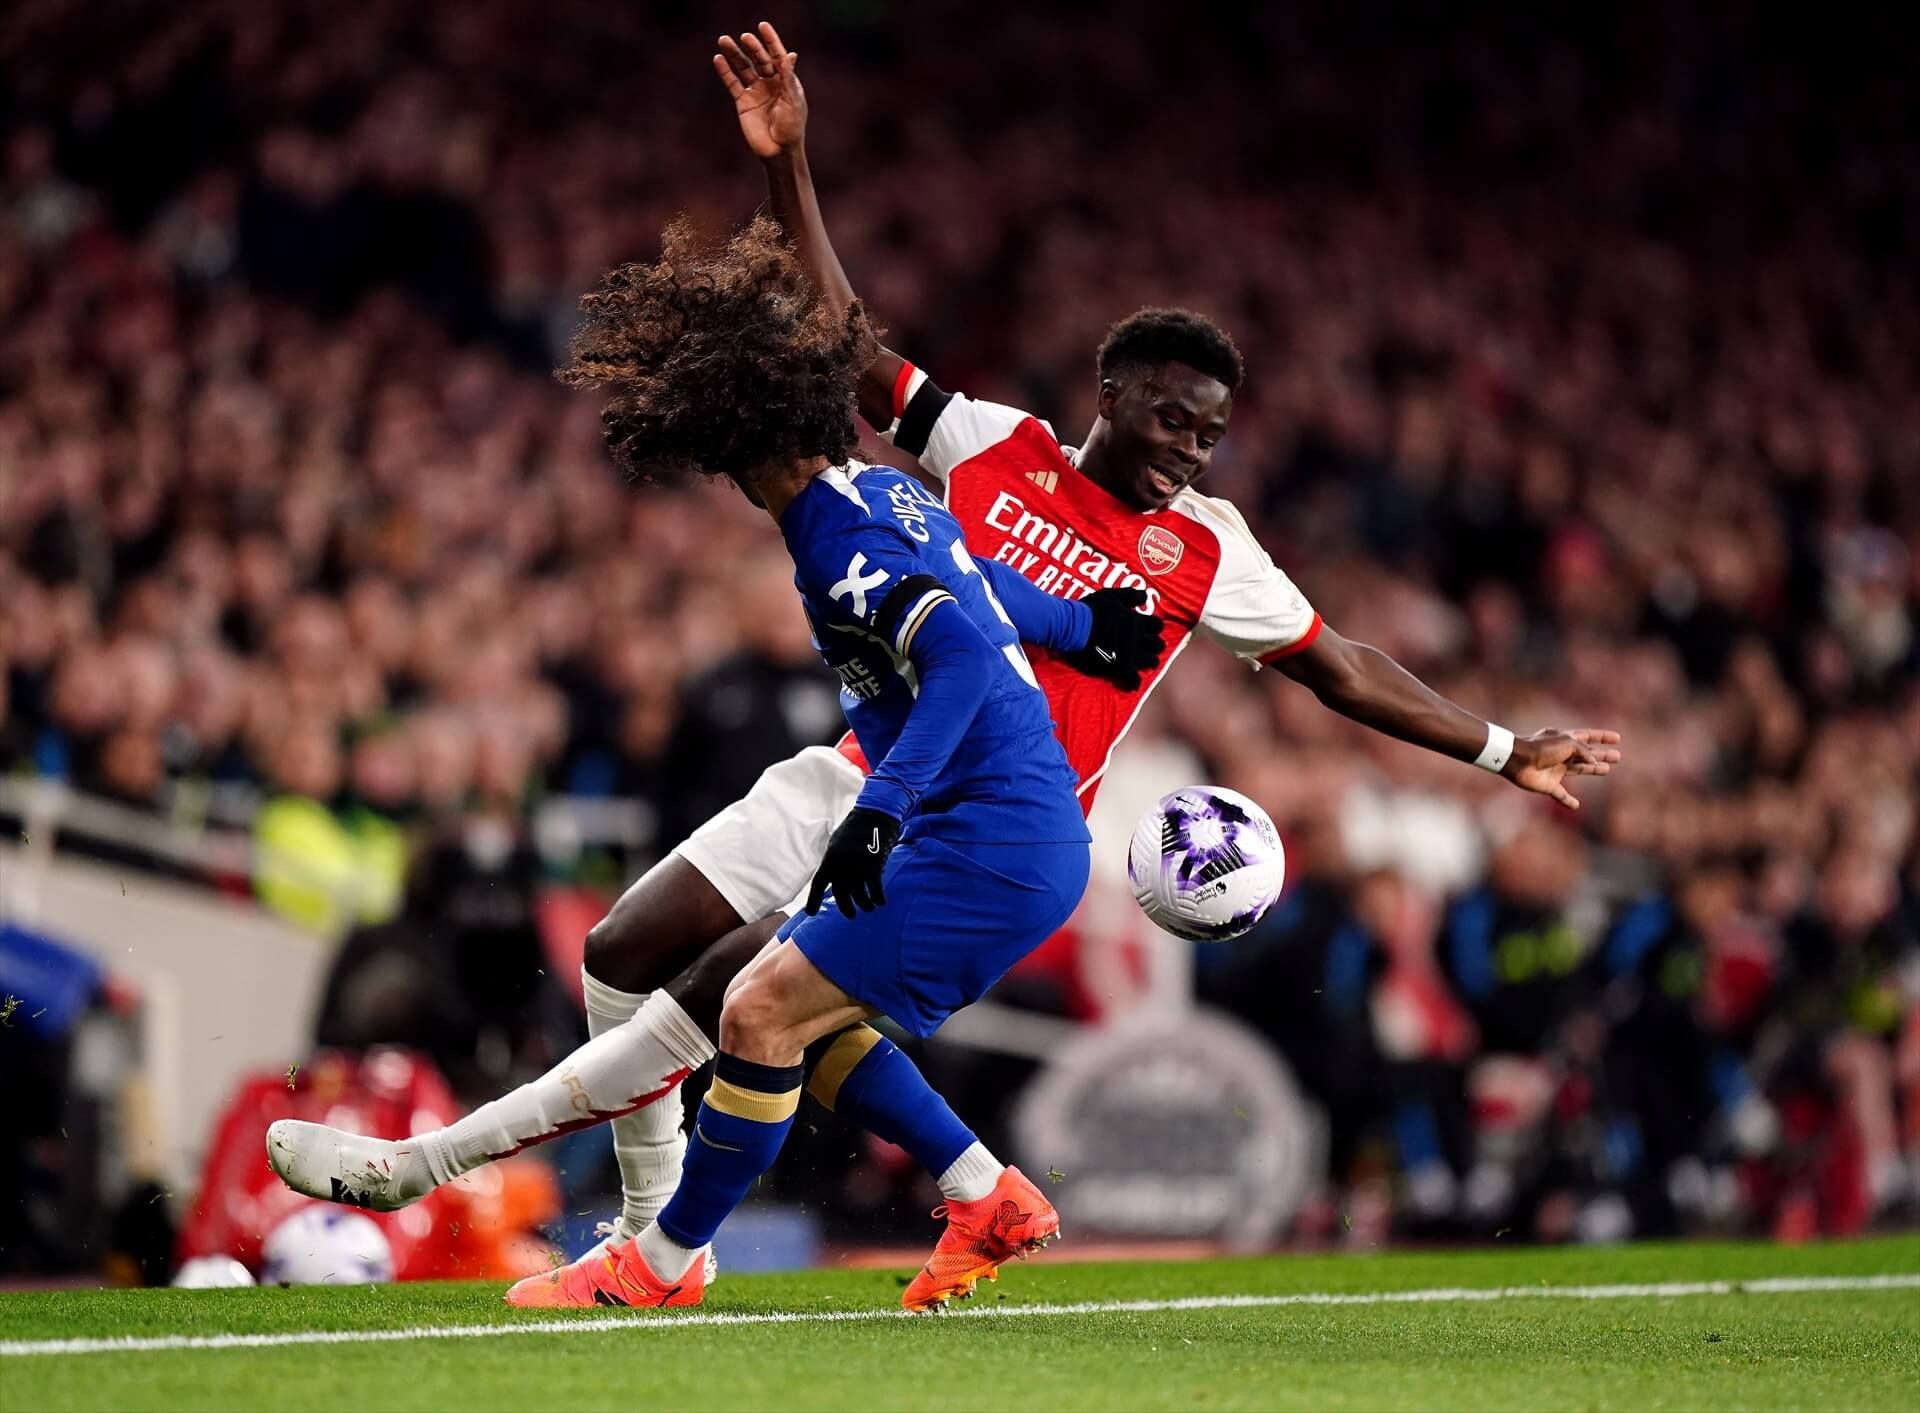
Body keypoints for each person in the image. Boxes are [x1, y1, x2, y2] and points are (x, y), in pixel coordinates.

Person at [270, 22, 1622, 1312]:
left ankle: (554, 1214)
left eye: (1210, 435)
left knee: (745, 1001)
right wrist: (790, 163)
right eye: (1173, 420)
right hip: (866, 765)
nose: (1190, 451)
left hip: (978, 813)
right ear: (1112, 396)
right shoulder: (992, 445)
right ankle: (820, 1208)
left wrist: (1504, 748)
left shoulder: (1211, 549)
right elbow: (846, 349)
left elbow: (1342, 666)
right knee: (630, 950)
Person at [269, 214, 1167, 1309]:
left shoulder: (837, 536)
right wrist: (1080, 627)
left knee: (754, 1013)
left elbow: (963, 662)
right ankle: (982, 1193)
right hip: (1002, 833)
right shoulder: (883, 490)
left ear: (737, 449)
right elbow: (983, 595)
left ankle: (611, 1246)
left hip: (982, 841)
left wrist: (880, 810)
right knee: (788, 1006)